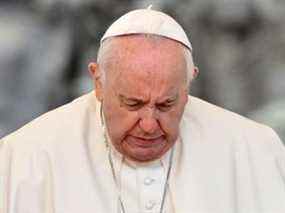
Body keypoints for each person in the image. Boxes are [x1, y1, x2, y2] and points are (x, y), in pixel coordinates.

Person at [1, 7, 285, 213]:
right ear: (98, 82)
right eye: (132, 103)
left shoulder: (255, 150)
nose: (149, 125)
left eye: (166, 105)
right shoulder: (25, 158)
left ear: (190, 83)